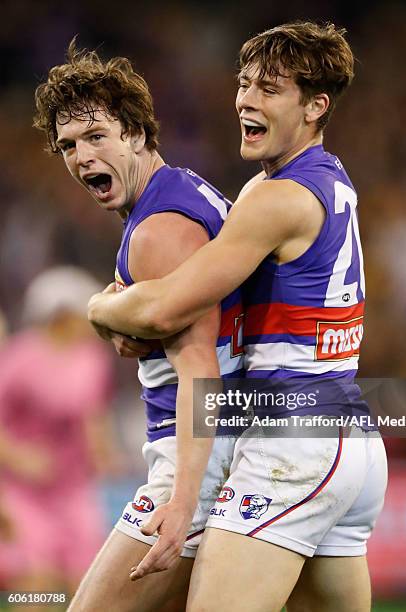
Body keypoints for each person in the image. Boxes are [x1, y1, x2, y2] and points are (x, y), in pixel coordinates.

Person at [87, 21, 388, 612]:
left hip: (293, 439)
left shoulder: (277, 199)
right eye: (244, 83)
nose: (246, 100)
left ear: (314, 107)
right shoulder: (322, 182)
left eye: (270, 89)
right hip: (346, 437)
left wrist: (101, 307)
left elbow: (168, 304)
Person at [33, 42, 243, 611]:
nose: (81, 156)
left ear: (135, 133)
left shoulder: (159, 230)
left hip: (193, 458)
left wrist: (182, 499)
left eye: (97, 136)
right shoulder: (181, 191)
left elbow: (200, 366)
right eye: (69, 145)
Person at [0, 267, 118, 602]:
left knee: (86, 579)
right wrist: (19, 458)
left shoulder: (91, 359)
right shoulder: (19, 358)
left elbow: (94, 416)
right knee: (36, 583)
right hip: (25, 491)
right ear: (62, 315)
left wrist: (106, 458)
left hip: (74, 487)